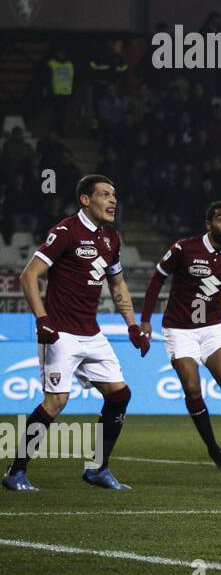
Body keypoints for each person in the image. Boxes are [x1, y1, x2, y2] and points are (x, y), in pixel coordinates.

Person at [3, 175, 147, 492]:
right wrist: (42, 319)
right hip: (61, 334)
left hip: (91, 333)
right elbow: (29, 276)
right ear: (85, 199)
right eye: (105, 195)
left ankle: (97, 469)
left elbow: (118, 284)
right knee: (57, 401)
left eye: (114, 195)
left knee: (120, 394)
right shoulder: (66, 231)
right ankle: (16, 472)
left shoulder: (111, 238)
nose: (113, 201)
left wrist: (132, 325)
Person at [140, 201, 221, 470]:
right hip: (178, 329)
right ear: (208, 224)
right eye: (220, 219)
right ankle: (213, 450)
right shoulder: (184, 248)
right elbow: (156, 279)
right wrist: (146, 319)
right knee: (193, 388)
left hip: (211, 327)